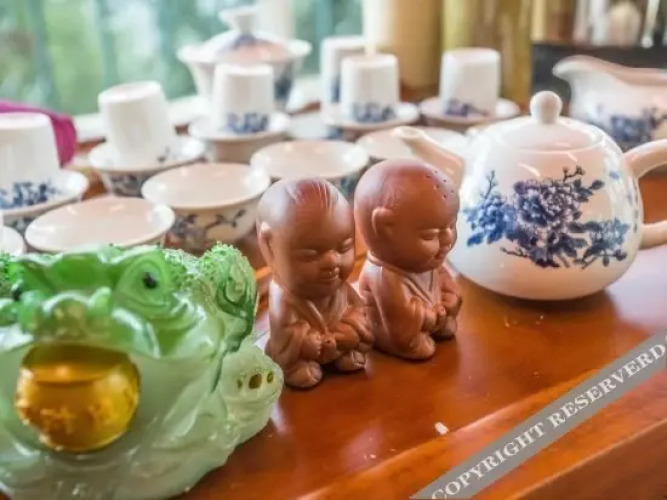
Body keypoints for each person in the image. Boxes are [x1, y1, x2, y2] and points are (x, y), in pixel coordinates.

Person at [257, 178, 373, 388]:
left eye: (344, 248)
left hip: (338, 342)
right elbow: (286, 331)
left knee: (355, 334)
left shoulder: (340, 286)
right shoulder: (283, 295)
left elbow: (358, 309)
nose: (332, 262)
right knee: (295, 354)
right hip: (310, 349)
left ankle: (345, 354)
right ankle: (296, 367)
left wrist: (350, 328)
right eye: (310, 255)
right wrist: (307, 340)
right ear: (269, 247)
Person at [355, 159, 462, 361]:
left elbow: (444, 281)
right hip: (392, 330)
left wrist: (449, 297)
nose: (448, 238)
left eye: (451, 226)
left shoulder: (428, 261)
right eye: (430, 235)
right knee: (410, 337)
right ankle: (408, 345)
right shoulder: (384, 274)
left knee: (447, 322)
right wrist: (428, 315)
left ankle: (437, 326)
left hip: (433, 314)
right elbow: (401, 315)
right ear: (385, 229)